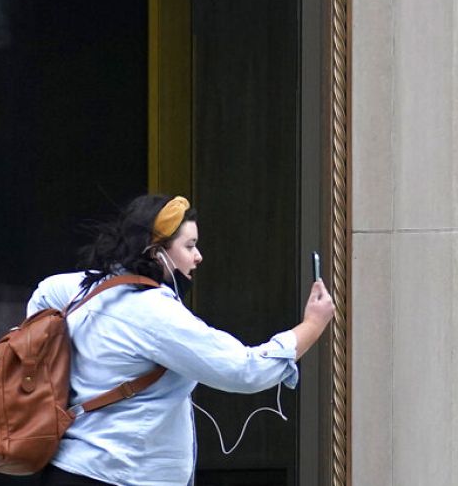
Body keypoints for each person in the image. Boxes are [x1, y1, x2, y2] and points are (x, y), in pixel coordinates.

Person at [26, 194, 335, 486]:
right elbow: (245, 370)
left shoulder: (84, 289)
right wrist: (312, 324)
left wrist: (53, 362)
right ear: (156, 251)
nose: (198, 257)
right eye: (190, 246)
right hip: (122, 475)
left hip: (67, 468)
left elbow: (43, 295)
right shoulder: (155, 313)